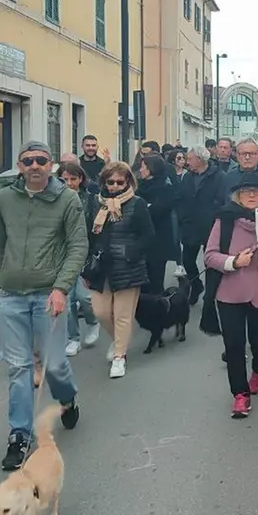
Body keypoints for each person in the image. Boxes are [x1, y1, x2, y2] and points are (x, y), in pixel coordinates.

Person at [0, 140, 87, 471]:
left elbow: (77, 246)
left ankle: (68, 397)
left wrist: (62, 288)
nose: (34, 166)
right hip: (12, 295)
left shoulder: (67, 199)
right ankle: (19, 436)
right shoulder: (4, 199)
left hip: (49, 295)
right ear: (19, 165)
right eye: (28, 160)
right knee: (19, 368)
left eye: (41, 160)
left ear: (51, 166)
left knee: (55, 365)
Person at [205, 173, 258, 419]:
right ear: (238, 196)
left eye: (256, 192)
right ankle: (240, 395)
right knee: (233, 346)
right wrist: (234, 261)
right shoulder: (225, 221)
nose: (252, 195)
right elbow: (210, 255)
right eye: (247, 192)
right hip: (229, 294)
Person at [83, 161, 155, 379]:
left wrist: (131, 252)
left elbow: (148, 235)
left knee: (123, 315)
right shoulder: (96, 204)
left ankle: (119, 357)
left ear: (128, 182)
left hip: (128, 266)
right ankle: (117, 341)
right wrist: (86, 266)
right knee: (101, 312)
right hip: (100, 267)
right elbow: (88, 235)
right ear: (103, 181)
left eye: (119, 182)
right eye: (110, 181)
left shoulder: (137, 204)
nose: (114, 186)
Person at [56, 162, 101, 356]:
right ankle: (73, 339)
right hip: (61, 257)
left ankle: (93, 322)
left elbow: (98, 230)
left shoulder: (91, 200)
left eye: (73, 179)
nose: (68, 183)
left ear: (80, 179)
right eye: (64, 179)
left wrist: (95, 254)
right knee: (67, 300)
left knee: (85, 297)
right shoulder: (53, 201)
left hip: (85, 255)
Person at [177, 145, 224, 312]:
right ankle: (196, 285)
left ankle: (210, 295)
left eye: (189, 159)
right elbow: (181, 198)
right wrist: (182, 217)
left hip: (210, 226)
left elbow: (221, 200)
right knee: (187, 260)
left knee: (210, 262)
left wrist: (213, 216)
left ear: (199, 159)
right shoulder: (187, 177)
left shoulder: (219, 176)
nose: (186, 162)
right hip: (190, 225)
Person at [136, 154, 178, 295]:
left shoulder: (165, 187)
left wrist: (145, 208)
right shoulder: (138, 187)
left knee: (155, 281)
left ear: (151, 169)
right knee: (140, 283)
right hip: (140, 241)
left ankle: (156, 312)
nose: (140, 170)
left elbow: (157, 210)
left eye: (143, 167)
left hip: (158, 242)